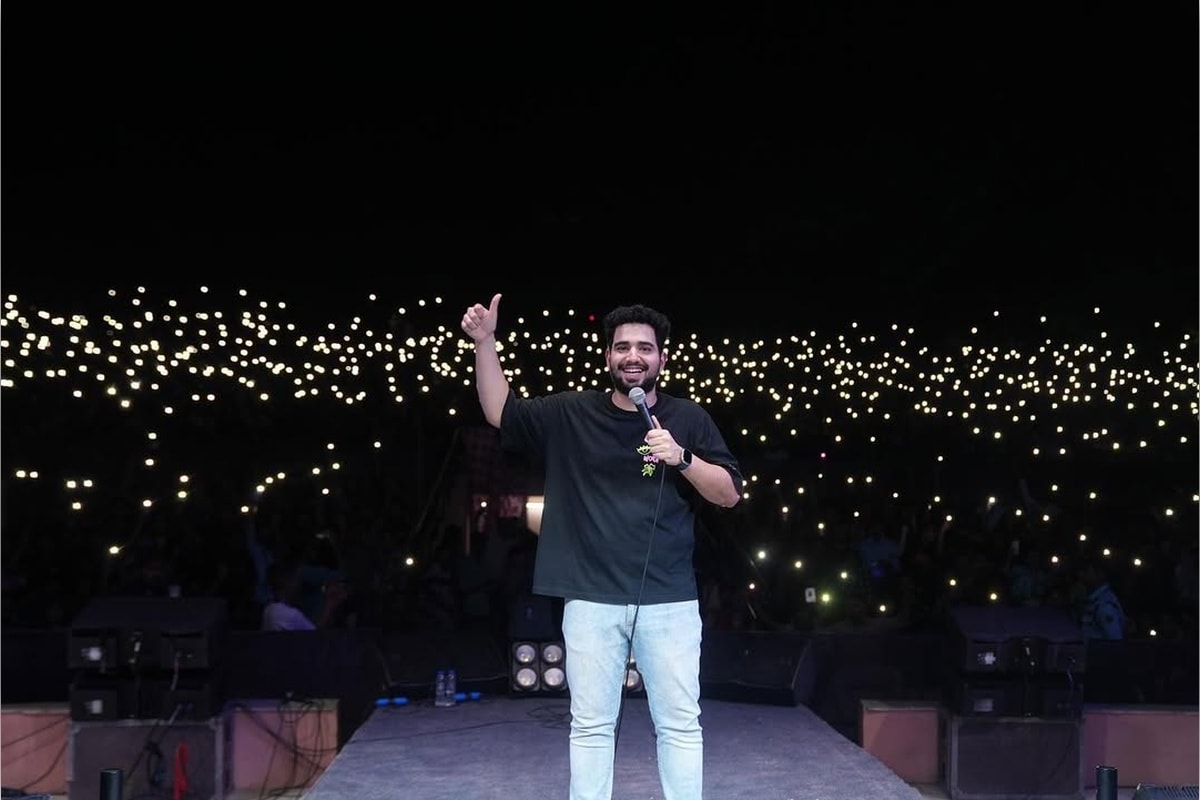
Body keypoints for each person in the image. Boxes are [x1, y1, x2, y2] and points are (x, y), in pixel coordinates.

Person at [461, 294, 742, 800]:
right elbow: (500, 412)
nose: (633, 357)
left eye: (645, 348)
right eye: (622, 348)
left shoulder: (688, 417)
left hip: (669, 598)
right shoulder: (570, 412)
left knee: (680, 723)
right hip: (589, 596)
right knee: (590, 725)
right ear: (608, 357)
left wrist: (681, 458)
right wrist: (486, 344)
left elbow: (728, 493)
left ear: (662, 358)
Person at [261, 559, 347, 631]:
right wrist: (329, 604)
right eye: (295, 579)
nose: (298, 584)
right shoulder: (290, 614)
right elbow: (314, 635)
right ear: (288, 583)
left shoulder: (269, 609)